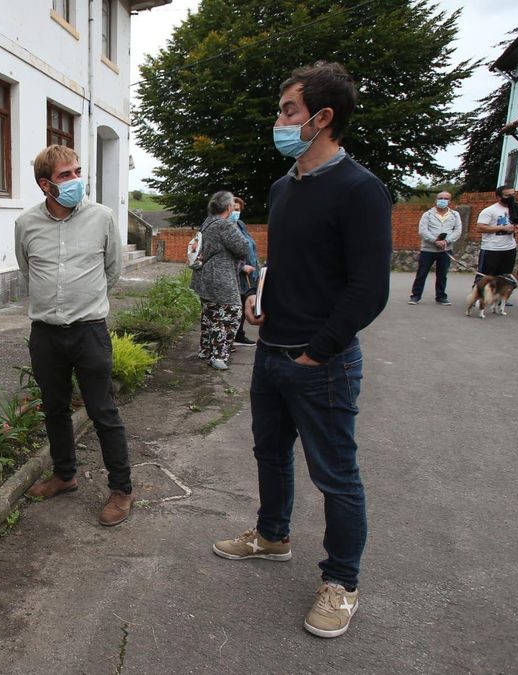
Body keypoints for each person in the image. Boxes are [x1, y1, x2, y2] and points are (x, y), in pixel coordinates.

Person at [212, 62, 391, 639]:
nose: (280, 121)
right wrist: (257, 299)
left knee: (336, 476)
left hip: (324, 363)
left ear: (323, 117)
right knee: (269, 453)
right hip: (271, 350)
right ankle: (272, 536)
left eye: (289, 111)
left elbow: (370, 288)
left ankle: (342, 582)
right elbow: (283, 263)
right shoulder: (283, 188)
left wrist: (320, 351)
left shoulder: (361, 190)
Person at [16, 145, 134, 526]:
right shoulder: (26, 224)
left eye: (77, 172)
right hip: (46, 334)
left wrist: (85, 302)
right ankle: (64, 475)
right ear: (45, 185)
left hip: (89, 332)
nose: (75, 181)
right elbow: (27, 271)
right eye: (66, 176)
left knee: (103, 411)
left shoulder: (102, 217)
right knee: (54, 408)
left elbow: (112, 270)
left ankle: (121, 489)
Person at [190, 191, 250, 370]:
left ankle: (206, 351)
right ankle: (218, 356)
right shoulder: (225, 225)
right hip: (220, 278)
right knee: (229, 314)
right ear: (229, 207)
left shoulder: (208, 222)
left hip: (205, 276)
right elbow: (243, 248)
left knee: (210, 315)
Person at [407, 191, 462, 306]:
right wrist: (434, 240)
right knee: (422, 273)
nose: (443, 200)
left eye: (445, 198)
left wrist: (446, 241)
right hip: (428, 249)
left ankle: (441, 296)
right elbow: (422, 230)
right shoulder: (428, 214)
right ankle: (415, 296)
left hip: (445, 249)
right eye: (440, 198)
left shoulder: (455, 215)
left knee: (442, 274)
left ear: (449, 201)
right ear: (436, 200)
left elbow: (457, 231)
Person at [231, 196, 260, 349]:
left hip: (250, 272)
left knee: (244, 302)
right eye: (233, 209)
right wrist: (242, 267)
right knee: (237, 305)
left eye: (238, 210)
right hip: (237, 273)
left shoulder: (240, 225)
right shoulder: (226, 227)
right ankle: (231, 336)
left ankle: (238, 334)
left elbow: (250, 245)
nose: (236, 213)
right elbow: (226, 252)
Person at [476, 186, 518, 278]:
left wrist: (517, 228)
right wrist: (502, 228)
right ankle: (479, 292)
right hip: (492, 249)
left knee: (505, 279)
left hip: (509, 248)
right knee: (485, 278)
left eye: (513, 195)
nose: (511, 197)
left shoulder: (516, 209)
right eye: (508, 195)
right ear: (499, 197)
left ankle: (500, 293)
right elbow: (480, 228)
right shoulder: (489, 211)